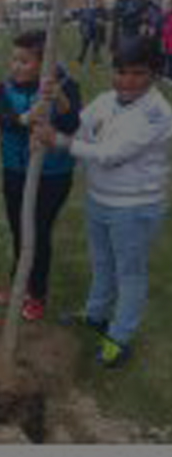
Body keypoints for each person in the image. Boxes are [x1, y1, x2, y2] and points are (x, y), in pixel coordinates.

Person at [33, 36, 172, 368]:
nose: (126, 81)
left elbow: (111, 154)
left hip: (135, 207)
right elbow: (82, 127)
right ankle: (96, 314)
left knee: (130, 273)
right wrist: (61, 104)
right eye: (121, 72)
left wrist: (61, 142)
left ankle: (119, 338)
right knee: (103, 263)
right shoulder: (107, 100)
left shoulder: (157, 114)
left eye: (138, 73)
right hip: (100, 199)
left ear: (154, 74)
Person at [0, 30, 82, 321]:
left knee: (38, 233)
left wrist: (61, 102)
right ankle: (19, 284)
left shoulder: (65, 86)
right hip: (15, 169)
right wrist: (27, 119)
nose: (16, 65)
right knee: (19, 229)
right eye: (14, 59)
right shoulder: (4, 88)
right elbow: (5, 120)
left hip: (52, 173)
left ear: (44, 64)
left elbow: (72, 125)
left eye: (25, 61)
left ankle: (38, 294)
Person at [77, 0, 107, 66]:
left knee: (96, 47)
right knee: (85, 47)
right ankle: (80, 60)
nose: (98, 3)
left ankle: (95, 61)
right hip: (89, 31)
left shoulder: (102, 10)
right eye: (97, 2)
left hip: (97, 31)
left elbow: (104, 20)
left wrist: (101, 22)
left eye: (100, 2)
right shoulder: (89, 10)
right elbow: (86, 20)